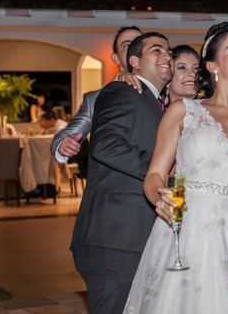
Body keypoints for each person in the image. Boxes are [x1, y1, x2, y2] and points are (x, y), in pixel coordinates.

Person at [123, 23, 228, 313]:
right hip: (187, 230)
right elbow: (155, 175)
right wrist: (156, 197)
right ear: (212, 65)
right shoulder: (183, 111)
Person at [70, 32, 173, 314]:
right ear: (134, 62)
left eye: (169, 51)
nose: (167, 55)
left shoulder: (158, 104)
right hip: (115, 237)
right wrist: (160, 169)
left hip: (136, 237)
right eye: (157, 50)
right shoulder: (121, 91)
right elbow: (106, 145)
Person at [51, 26, 142, 163]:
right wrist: (63, 145)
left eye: (140, 44)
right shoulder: (98, 98)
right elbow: (67, 134)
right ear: (116, 58)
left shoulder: (165, 91)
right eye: (127, 45)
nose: (135, 49)